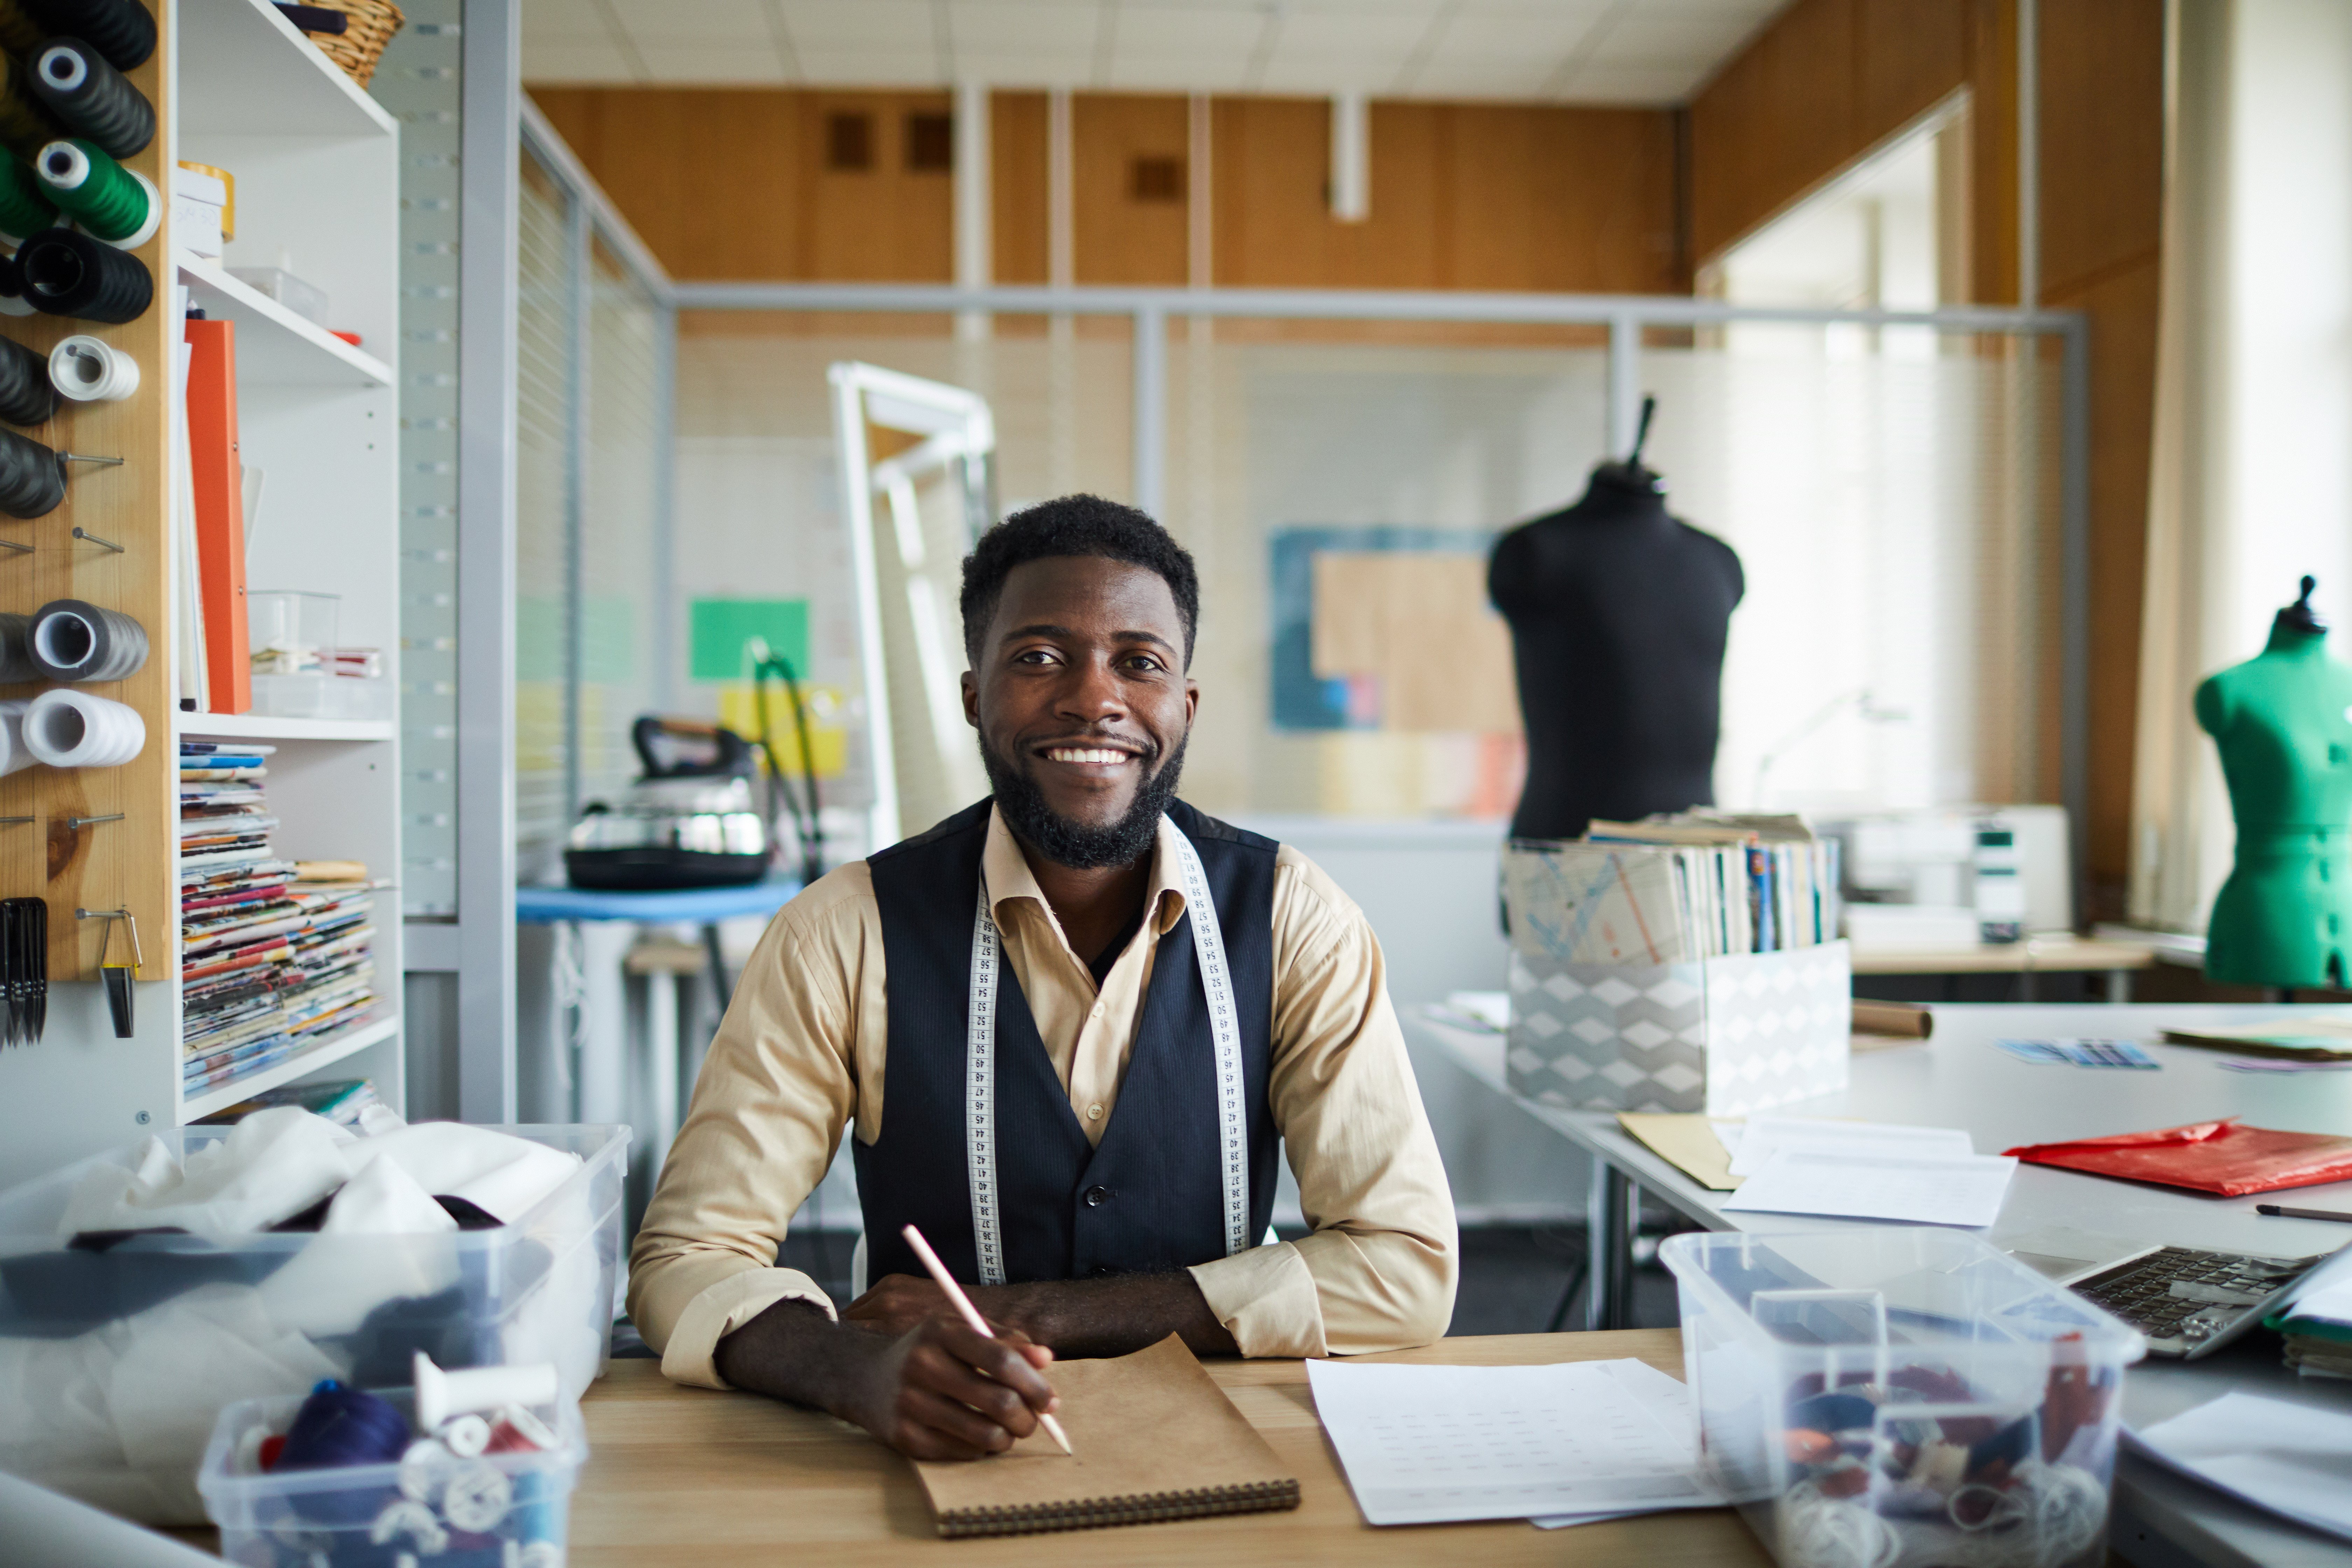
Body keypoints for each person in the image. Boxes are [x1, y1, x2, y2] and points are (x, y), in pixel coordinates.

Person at [629, 495, 1457, 1461]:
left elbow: (1406, 1264)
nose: (1092, 698)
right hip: (935, 1451)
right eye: (1038, 658)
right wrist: (850, 1370)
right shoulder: (843, 931)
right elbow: (685, 1258)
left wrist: (1032, 1312)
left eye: (1139, 662)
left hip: (1227, 1442)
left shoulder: (1293, 919)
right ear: (974, 695)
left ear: (1182, 707)